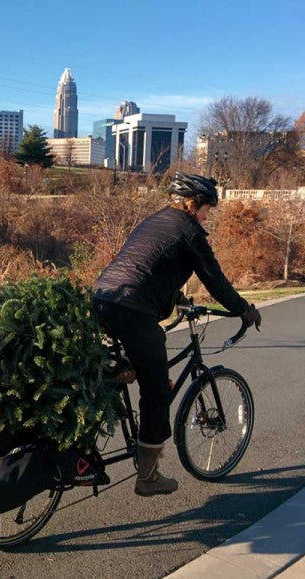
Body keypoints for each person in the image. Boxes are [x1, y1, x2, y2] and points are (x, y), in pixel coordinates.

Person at [93, 172, 262, 497]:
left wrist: (178, 299)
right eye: (206, 208)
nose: (207, 215)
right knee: (156, 391)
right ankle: (148, 477)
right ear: (194, 204)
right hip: (132, 310)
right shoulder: (190, 233)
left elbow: (148, 267)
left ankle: (97, 409)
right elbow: (215, 280)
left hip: (102, 299)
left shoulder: (154, 221)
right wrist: (244, 309)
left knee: (129, 364)